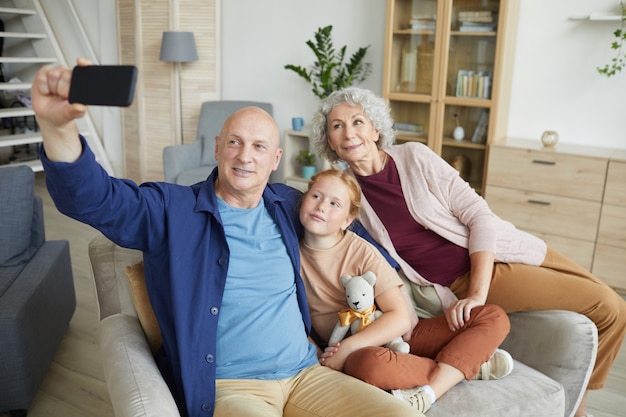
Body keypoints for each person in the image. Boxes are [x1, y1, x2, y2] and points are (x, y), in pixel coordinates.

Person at [30, 60, 422, 417]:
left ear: (275, 159)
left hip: (308, 374)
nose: (245, 156)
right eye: (234, 142)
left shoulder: (290, 205)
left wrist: (414, 280)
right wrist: (57, 127)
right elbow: (97, 201)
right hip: (232, 387)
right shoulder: (172, 209)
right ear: (217, 147)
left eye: (259, 147)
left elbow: (352, 229)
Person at [308, 86, 626, 417]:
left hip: (501, 248)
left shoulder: (415, 157)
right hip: (459, 278)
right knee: (610, 307)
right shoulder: (345, 195)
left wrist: (478, 294)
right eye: (337, 126)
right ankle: (579, 412)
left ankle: (578, 406)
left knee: (610, 304)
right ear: (329, 141)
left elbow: (478, 214)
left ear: (376, 129)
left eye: (358, 121)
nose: (349, 133)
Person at [298, 169, 513, 413]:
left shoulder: (361, 251)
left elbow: (399, 318)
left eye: (334, 203)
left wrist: (348, 347)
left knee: (492, 317)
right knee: (369, 365)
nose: (322, 207)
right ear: (304, 199)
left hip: (399, 337)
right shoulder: (288, 252)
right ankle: (465, 364)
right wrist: (322, 353)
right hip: (362, 354)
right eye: (316, 196)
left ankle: (435, 387)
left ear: (348, 219)